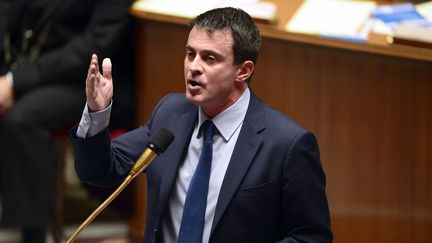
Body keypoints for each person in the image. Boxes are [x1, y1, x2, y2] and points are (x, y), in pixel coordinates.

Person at [71, 7, 332, 243]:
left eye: (209, 58)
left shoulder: (287, 144)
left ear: (243, 70)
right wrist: (97, 112)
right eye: (190, 54)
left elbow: (311, 237)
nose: (193, 68)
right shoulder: (171, 113)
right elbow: (100, 169)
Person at [0, 0, 135, 242]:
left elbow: (91, 48)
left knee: (24, 119)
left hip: (91, 82)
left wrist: (14, 82)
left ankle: (33, 233)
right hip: (33, 68)